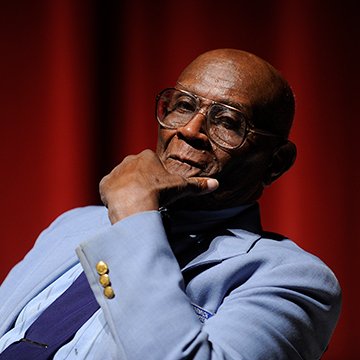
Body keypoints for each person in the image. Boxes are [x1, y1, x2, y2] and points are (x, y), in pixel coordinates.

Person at [0, 49, 341, 359]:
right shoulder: (75, 225)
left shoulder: (292, 279)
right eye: (184, 106)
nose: (191, 130)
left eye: (227, 122)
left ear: (277, 162)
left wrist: (135, 215)